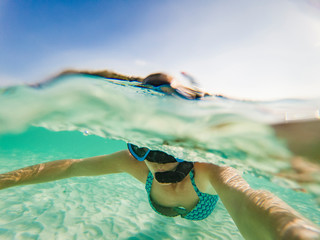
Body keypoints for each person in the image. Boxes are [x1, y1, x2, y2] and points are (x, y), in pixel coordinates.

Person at [0, 143, 319, 240]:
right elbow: (70, 166)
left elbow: (250, 200)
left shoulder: (209, 171)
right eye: (143, 149)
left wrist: (294, 235)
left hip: (199, 212)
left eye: (168, 148)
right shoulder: (134, 164)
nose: (156, 160)